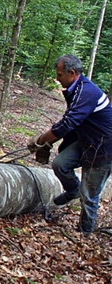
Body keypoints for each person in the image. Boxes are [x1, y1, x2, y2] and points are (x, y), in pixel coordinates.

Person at [28, 54, 112, 235]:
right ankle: (73, 190)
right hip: (86, 142)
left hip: (103, 149)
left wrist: (42, 140)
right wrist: (50, 143)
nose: (57, 80)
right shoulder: (76, 89)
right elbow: (70, 122)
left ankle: (84, 233)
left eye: (60, 75)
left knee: (89, 195)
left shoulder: (86, 92)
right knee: (60, 164)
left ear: (72, 73)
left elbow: (68, 123)